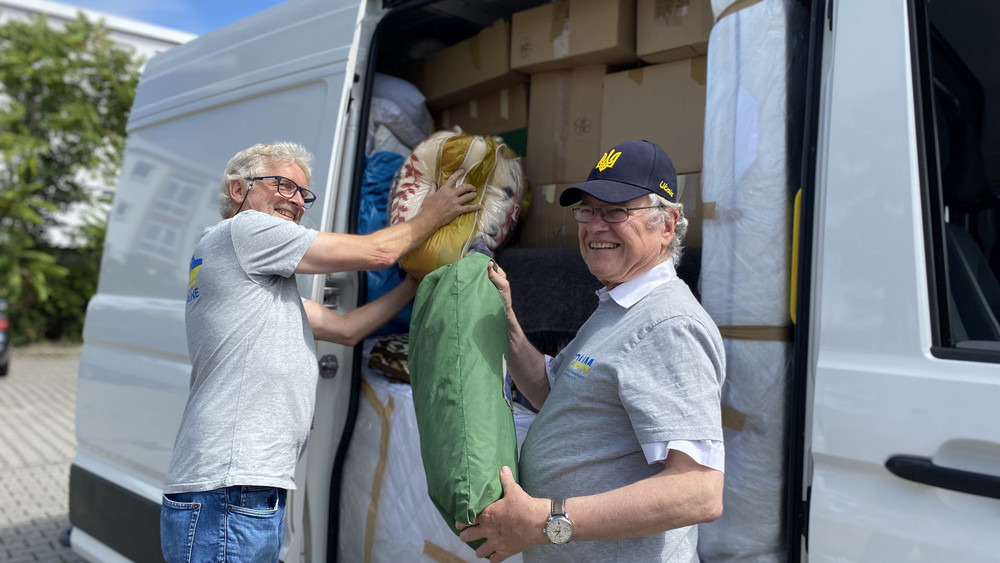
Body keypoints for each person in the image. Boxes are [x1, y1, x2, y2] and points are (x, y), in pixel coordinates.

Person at [160, 141, 480, 562]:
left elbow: (347, 330)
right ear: (239, 191)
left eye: (302, 194)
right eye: (282, 185)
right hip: (228, 489)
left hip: (241, 489)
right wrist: (433, 215)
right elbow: (378, 252)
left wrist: (413, 284)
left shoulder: (259, 286)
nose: (295, 201)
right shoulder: (243, 231)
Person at [459, 140, 726, 562]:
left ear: (668, 225)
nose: (595, 226)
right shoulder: (618, 307)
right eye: (587, 211)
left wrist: (547, 519)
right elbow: (555, 394)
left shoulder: (669, 325)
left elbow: (699, 491)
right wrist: (506, 322)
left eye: (617, 211)